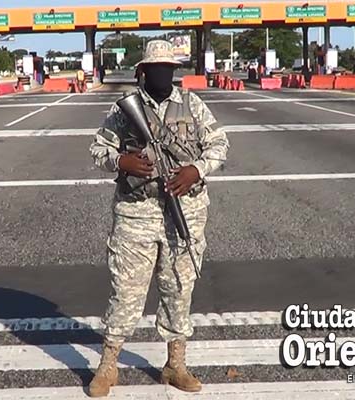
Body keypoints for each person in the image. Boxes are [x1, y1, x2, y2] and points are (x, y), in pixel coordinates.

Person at [87, 39, 229, 397]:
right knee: (125, 292)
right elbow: (98, 148)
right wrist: (122, 162)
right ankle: (108, 365)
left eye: (169, 69)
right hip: (137, 213)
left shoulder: (192, 104)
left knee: (179, 289)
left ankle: (174, 364)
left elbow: (220, 145)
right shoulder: (123, 111)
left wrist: (195, 170)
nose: (164, 74)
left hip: (187, 211)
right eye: (157, 69)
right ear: (143, 72)